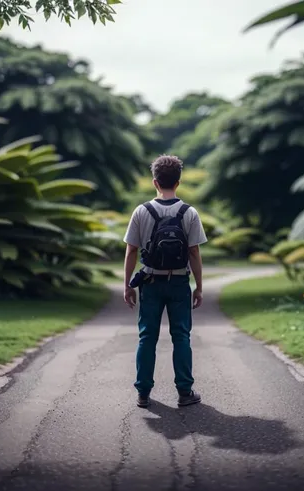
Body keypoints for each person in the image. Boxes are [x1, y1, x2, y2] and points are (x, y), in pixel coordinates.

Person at [123, 155, 207, 408]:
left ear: (155, 182)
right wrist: (199, 287)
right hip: (179, 282)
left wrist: (127, 285)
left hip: (149, 282)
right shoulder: (189, 212)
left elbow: (131, 251)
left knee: (147, 337)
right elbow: (194, 252)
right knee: (181, 336)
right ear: (178, 183)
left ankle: (143, 393)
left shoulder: (141, 211)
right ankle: (184, 392)